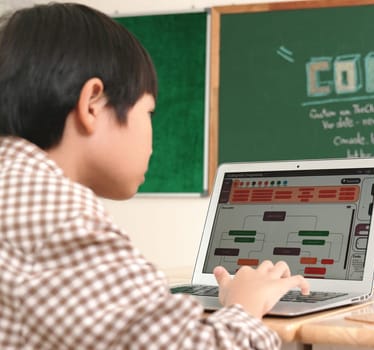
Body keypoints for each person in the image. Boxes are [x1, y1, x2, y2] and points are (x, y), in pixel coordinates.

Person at [0, 3, 309, 349]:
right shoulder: (54, 216)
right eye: (148, 111)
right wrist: (245, 303)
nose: (152, 136)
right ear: (92, 104)